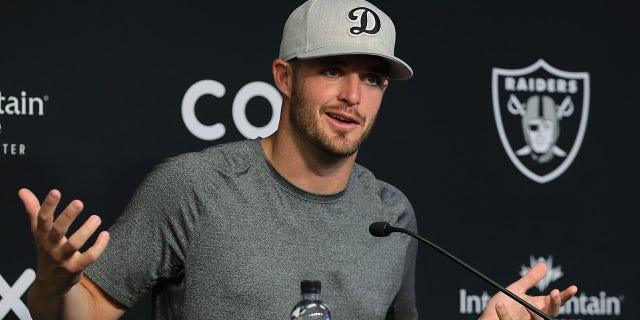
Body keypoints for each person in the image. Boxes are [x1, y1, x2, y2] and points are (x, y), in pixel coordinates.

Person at [18, 0, 578, 319]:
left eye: (374, 79)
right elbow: (85, 309)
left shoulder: (393, 215)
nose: (353, 98)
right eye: (333, 70)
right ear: (284, 77)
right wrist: (51, 287)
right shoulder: (193, 187)